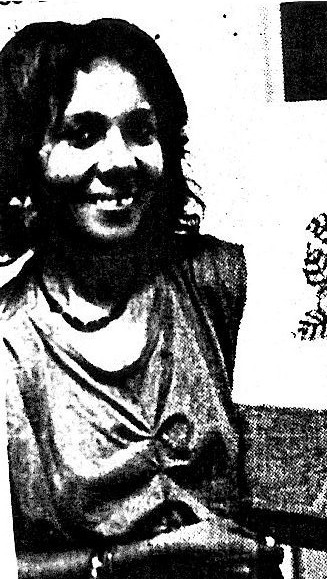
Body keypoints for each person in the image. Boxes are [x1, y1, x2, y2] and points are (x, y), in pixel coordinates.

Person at [0, 18, 281, 578]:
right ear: (26, 158)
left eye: (141, 131)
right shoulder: (8, 343)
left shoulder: (214, 280)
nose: (120, 160)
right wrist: (149, 558)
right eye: (83, 135)